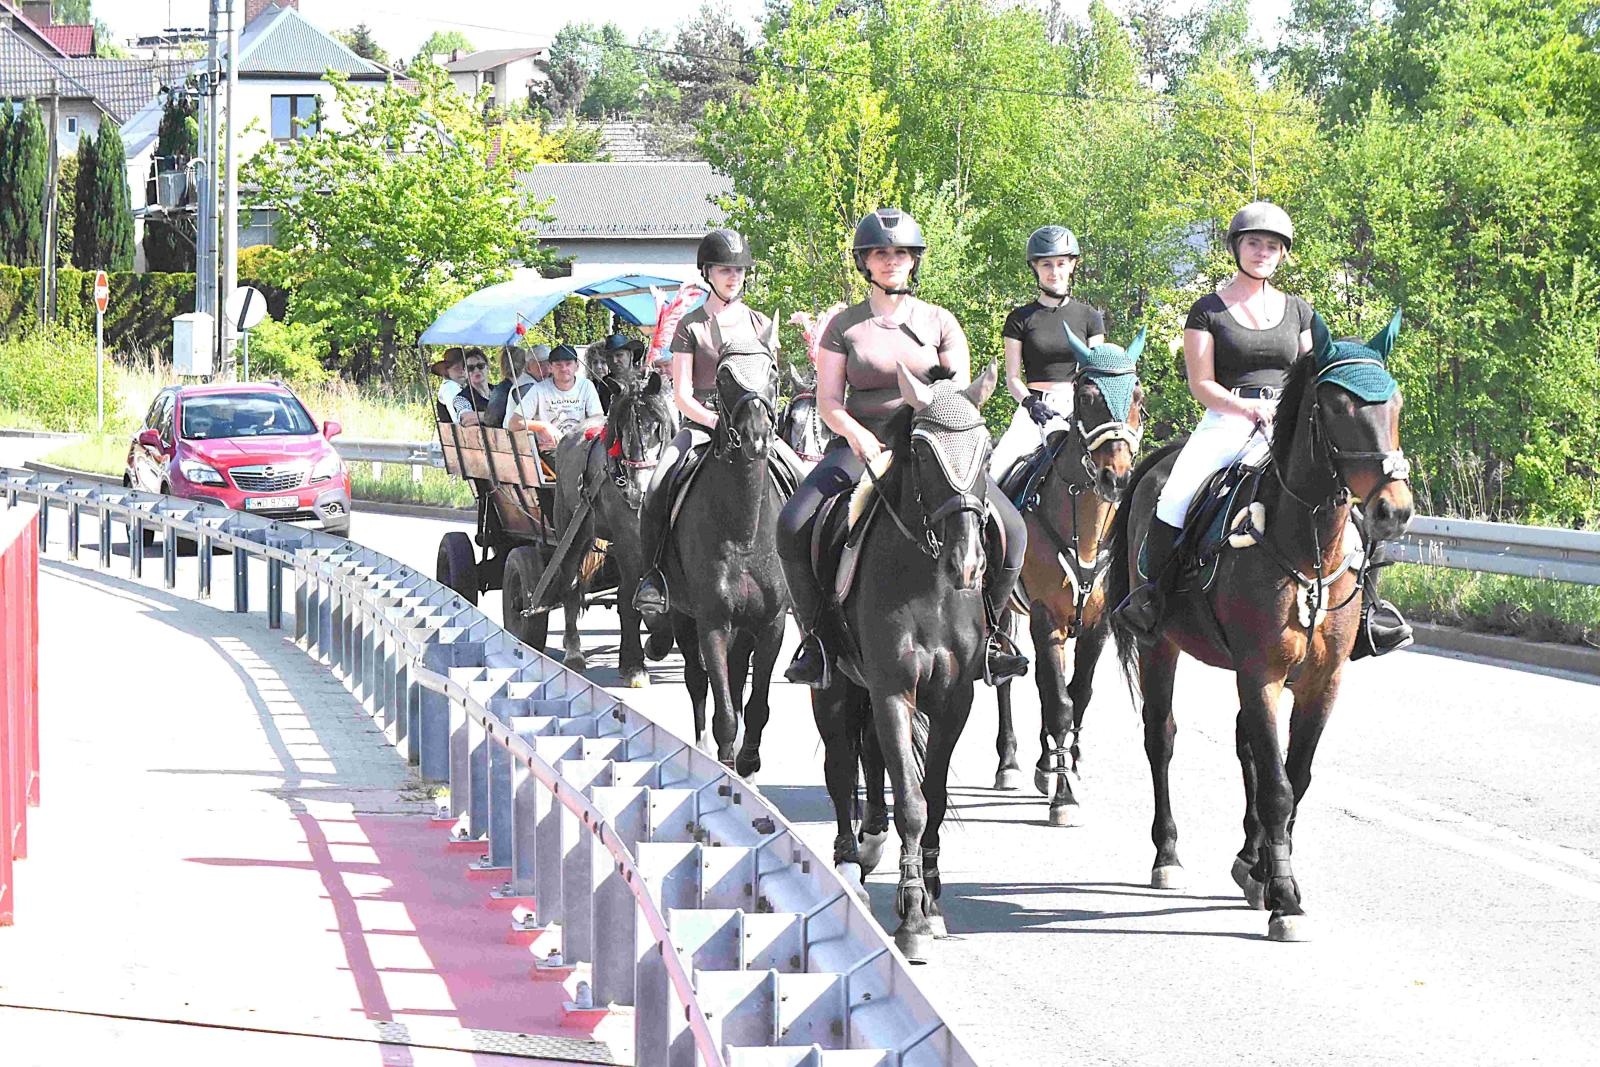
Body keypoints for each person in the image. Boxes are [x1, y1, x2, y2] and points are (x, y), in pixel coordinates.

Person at [775, 207, 1029, 688]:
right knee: (792, 524)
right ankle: (818, 640)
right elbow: (829, 401)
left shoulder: (940, 322)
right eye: (880, 253)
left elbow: (958, 397)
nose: (891, 261)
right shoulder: (844, 326)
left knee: (1012, 530)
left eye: (901, 253)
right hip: (863, 441)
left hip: (933, 443)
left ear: (915, 261)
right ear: (865, 262)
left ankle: (993, 636)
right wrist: (858, 436)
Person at [1114, 201, 1310, 644]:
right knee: (1174, 496)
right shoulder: (1208, 310)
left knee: (1340, 489)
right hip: (1227, 420)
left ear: (1283, 254)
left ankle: (1368, 607)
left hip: (1286, 422)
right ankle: (1151, 597)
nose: (1263, 251)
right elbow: (1200, 383)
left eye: (1272, 245)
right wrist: (1248, 409)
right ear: (1237, 248)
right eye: (1254, 243)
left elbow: (1309, 371)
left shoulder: (1299, 311)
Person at [631, 227, 805, 625]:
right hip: (705, 422)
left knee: (804, 479)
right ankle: (654, 577)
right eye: (724, 269)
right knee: (659, 483)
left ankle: (803, 577)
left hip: (753, 423)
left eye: (739, 270)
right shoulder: (690, 326)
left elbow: (769, 382)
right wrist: (713, 421)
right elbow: (682, 393)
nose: (733, 276)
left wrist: (760, 420)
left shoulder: (760, 324)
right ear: (707, 272)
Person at [989, 225, 1107, 479]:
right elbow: (1013, 378)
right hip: (1035, 406)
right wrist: (1030, 403)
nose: (1054, 272)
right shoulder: (1019, 319)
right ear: (1035, 268)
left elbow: (1096, 373)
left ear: (1072, 265)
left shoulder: (1090, 317)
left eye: (1061, 263)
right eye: (1046, 265)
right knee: (997, 469)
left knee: (1111, 471)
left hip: (1079, 405)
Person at [507, 343, 603, 448]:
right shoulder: (538, 389)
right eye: (558, 365)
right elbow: (514, 423)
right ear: (551, 367)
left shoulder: (586, 386)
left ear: (577, 366)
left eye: (568, 364)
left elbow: (597, 418)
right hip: (551, 449)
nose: (564, 369)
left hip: (580, 448)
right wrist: (544, 426)